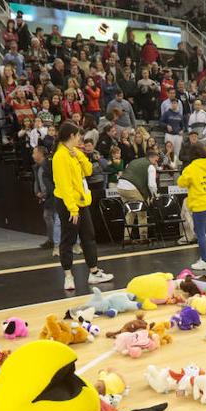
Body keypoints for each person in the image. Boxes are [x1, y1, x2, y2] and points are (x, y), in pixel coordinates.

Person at [52, 122, 113, 291]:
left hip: (81, 201)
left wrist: (79, 155)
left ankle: (94, 272)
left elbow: (88, 171)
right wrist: (72, 209)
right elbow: (64, 186)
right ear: (71, 136)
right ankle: (68, 275)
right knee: (68, 239)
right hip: (68, 204)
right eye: (78, 135)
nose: (80, 138)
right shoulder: (59, 157)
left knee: (88, 236)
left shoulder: (75, 152)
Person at [177, 142, 206, 271]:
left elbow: (181, 183)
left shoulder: (191, 168)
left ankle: (204, 260)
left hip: (199, 204)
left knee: (200, 233)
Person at [116, 147, 158, 243]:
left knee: (131, 211)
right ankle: (143, 237)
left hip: (120, 187)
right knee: (142, 211)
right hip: (131, 187)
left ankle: (126, 238)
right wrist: (155, 196)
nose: (157, 161)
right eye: (156, 158)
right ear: (152, 157)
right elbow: (151, 185)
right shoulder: (150, 166)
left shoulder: (134, 161)